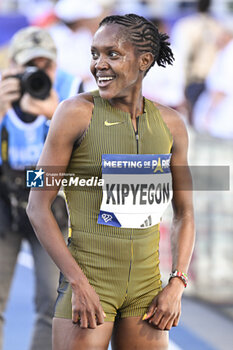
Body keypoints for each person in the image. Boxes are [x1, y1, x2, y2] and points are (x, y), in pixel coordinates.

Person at [27, 14, 195, 350]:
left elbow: (185, 213)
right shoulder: (74, 113)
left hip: (147, 290)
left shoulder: (172, 124)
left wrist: (177, 281)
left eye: (112, 54)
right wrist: (78, 283)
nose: (98, 65)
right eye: (94, 54)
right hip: (90, 283)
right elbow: (37, 205)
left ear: (144, 60)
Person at [0, 26, 82, 350]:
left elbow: (91, 157)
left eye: (45, 65)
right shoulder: (3, 90)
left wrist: (57, 114)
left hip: (50, 204)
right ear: (13, 67)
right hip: (4, 204)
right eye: (29, 65)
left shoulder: (71, 91)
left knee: (54, 302)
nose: (38, 72)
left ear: (56, 64)